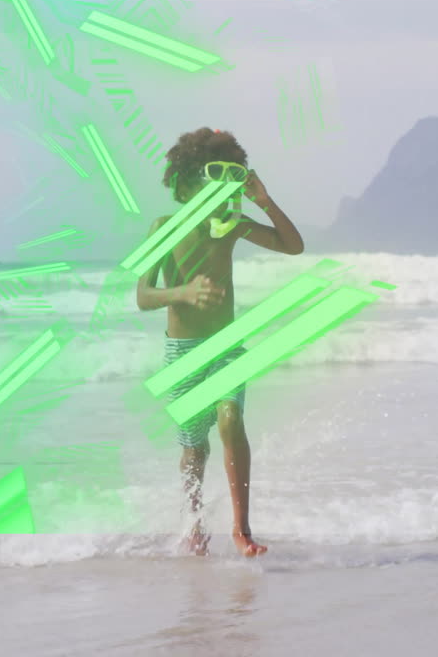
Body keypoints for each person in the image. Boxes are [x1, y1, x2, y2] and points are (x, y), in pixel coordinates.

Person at [136, 128, 304, 557]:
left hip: (226, 346)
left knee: (230, 417)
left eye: (232, 176)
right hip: (183, 353)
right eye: (213, 176)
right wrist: (183, 293)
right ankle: (194, 525)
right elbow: (143, 296)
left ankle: (241, 529)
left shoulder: (230, 228)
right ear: (189, 181)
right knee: (194, 449)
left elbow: (293, 246)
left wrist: (263, 200)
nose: (222, 187)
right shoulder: (163, 228)